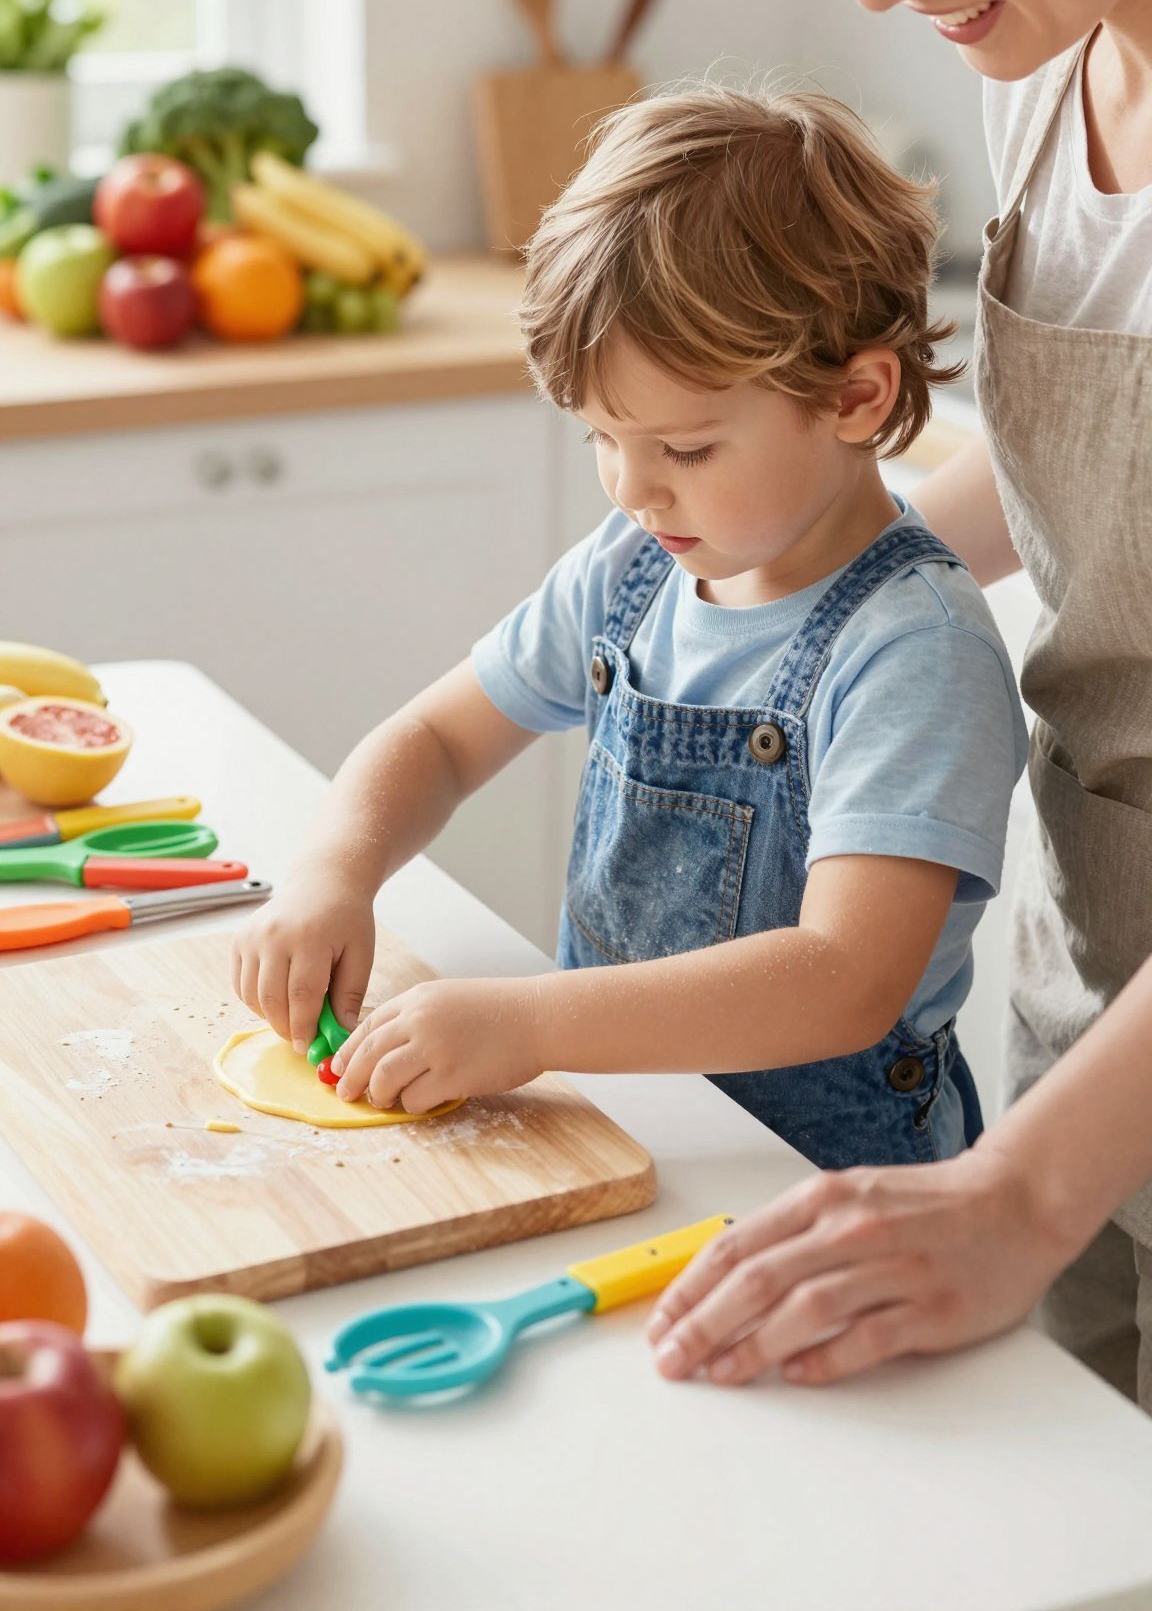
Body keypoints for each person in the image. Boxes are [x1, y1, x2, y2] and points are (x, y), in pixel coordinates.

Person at [647, 0, 1152, 1408]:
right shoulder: (1053, 61)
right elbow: (1074, 468)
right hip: (1085, 985)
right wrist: (747, 562)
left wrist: (1018, 1194)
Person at [232, 85, 1025, 1170]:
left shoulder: (913, 651)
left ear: (855, 398)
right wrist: (334, 869)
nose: (635, 491)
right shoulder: (632, 570)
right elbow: (437, 738)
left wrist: (530, 1021)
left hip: (821, 1183)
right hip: (622, 1130)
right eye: (604, 437)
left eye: (686, 450)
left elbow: (846, 977)